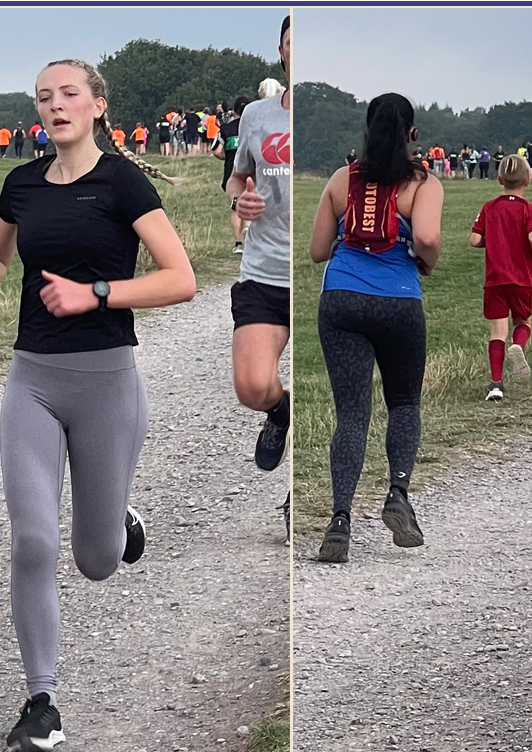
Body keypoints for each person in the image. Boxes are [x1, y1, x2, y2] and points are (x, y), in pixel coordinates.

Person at [0, 58, 195, 752]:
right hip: (32, 380)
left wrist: (95, 294)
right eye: (44, 97)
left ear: (97, 105)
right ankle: (43, 703)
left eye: (69, 94)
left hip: (106, 381)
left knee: (97, 560)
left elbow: (180, 279)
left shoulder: (121, 182)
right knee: (33, 541)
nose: (55, 106)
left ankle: (116, 516)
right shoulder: (22, 183)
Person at [308, 92, 443, 564]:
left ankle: (339, 521)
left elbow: (318, 251)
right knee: (403, 402)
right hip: (399, 301)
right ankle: (398, 494)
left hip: (342, 299)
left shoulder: (342, 179)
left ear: (367, 131)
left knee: (351, 414)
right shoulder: (422, 183)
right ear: (412, 135)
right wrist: (427, 261)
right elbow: (426, 237)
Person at [225, 15, 294, 494]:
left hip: (316, 272)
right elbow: (236, 177)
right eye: (293, 42)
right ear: (281, 51)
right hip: (264, 268)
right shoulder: (257, 115)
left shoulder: (337, 114)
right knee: (251, 387)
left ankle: (298, 501)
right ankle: (280, 409)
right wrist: (239, 202)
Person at [470, 154, 532, 401]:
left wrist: (493, 240)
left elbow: (475, 240)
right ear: (527, 180)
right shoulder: (529, 209)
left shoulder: (489, 207)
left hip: (495, 278)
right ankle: (519, 346)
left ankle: (495, 384)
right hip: (521, 278)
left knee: (497, 331)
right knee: (523, 321)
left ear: (499, 179)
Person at [216, 97, 250, 253]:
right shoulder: (253, 127)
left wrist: (227, 156)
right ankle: (248, 229)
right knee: (249, 204)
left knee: (236, 208)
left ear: (234, 111)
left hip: (231, 174)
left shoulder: (226, 129)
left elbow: (217, 151)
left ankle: (238, 244)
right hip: (250, 173)